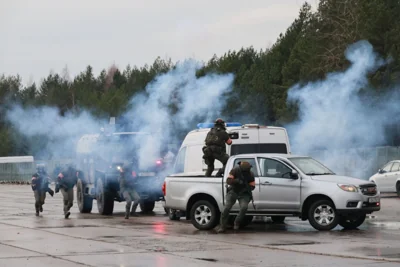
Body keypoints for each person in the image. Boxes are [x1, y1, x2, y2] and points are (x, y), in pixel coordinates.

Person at [217, 161, 256, 233]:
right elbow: (228, 181)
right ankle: (222, 226)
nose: (247, 171)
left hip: (244, 194)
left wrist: (247, 188)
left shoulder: (251, 174)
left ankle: (237, 222)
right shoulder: (235, 170)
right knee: (226, 208)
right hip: (233, 191)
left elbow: (253, 186)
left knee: (244, 207)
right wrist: (237, 181)